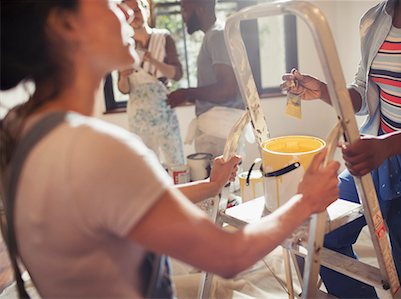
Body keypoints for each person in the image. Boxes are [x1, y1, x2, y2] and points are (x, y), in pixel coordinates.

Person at [0, 0, 341, 297]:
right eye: (107, 1)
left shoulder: (21, 127)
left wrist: (209, 186)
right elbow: (229, 255)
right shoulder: (98, 150)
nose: (124, 10)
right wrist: (305, 201)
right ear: (65, 24)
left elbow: (123, 203)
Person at [281, 0, 401, 298]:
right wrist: (322, 89)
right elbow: (362, 90)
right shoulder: (374, 19)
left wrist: (388, 146)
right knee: (317, 237)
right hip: (379, 159)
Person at [167, 0, 246, 158]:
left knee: (221, 183)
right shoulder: (214, 35)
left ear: (200, 10)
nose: (183, 17)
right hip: (218, 129)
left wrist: (187, 93)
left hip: (219, 131)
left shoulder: (217, 35)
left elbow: (226, 90)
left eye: (185, 10)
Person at [117, 0, 186, 169]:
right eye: (129, 11)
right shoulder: (124, 45)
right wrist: (124, 77)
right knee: (146, 167)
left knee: (176, 162)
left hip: (164, 112)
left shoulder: (163, 38)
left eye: (137, 9)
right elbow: (124, 89)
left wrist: (153, 61)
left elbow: (177, 74)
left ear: (147, 10)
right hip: (138, 117)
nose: (134, 15)